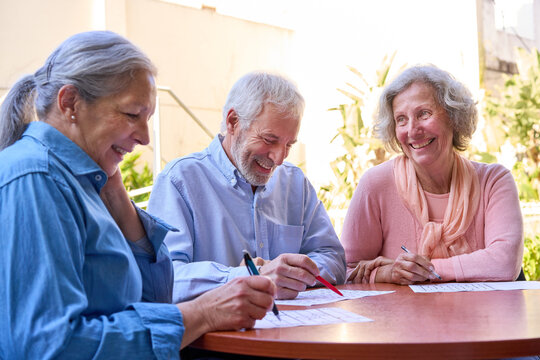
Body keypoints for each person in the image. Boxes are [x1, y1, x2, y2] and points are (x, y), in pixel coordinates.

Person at [0, 31, 276, 359]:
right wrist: (203, 313)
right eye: (132, 115)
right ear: (70, 102)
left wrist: (117, 198)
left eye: (147, 119)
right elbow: (51, 347)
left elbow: (152, 301)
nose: (145, 138)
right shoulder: (38, 179)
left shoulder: (83, 181)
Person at [148, 71, 346, 303]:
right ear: (233, 122)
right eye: (269, 140)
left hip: (295, 331)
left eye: (289, 145)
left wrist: (292, 273)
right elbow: (164, 279)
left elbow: (333, 257)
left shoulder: (294, 182)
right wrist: (248, 277)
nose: (279, 158)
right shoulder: (179, 181)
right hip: (218, 337)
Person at [341, 65, 524, 285]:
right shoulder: (375, 184)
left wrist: (423, 270)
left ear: (453, 117)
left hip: (481, 319)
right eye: (401, 119)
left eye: (424, 114)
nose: (412, 130)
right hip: (402, 319)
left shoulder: (494, 181)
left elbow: (504, 263)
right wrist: (387, 273)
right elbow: (345, 271)